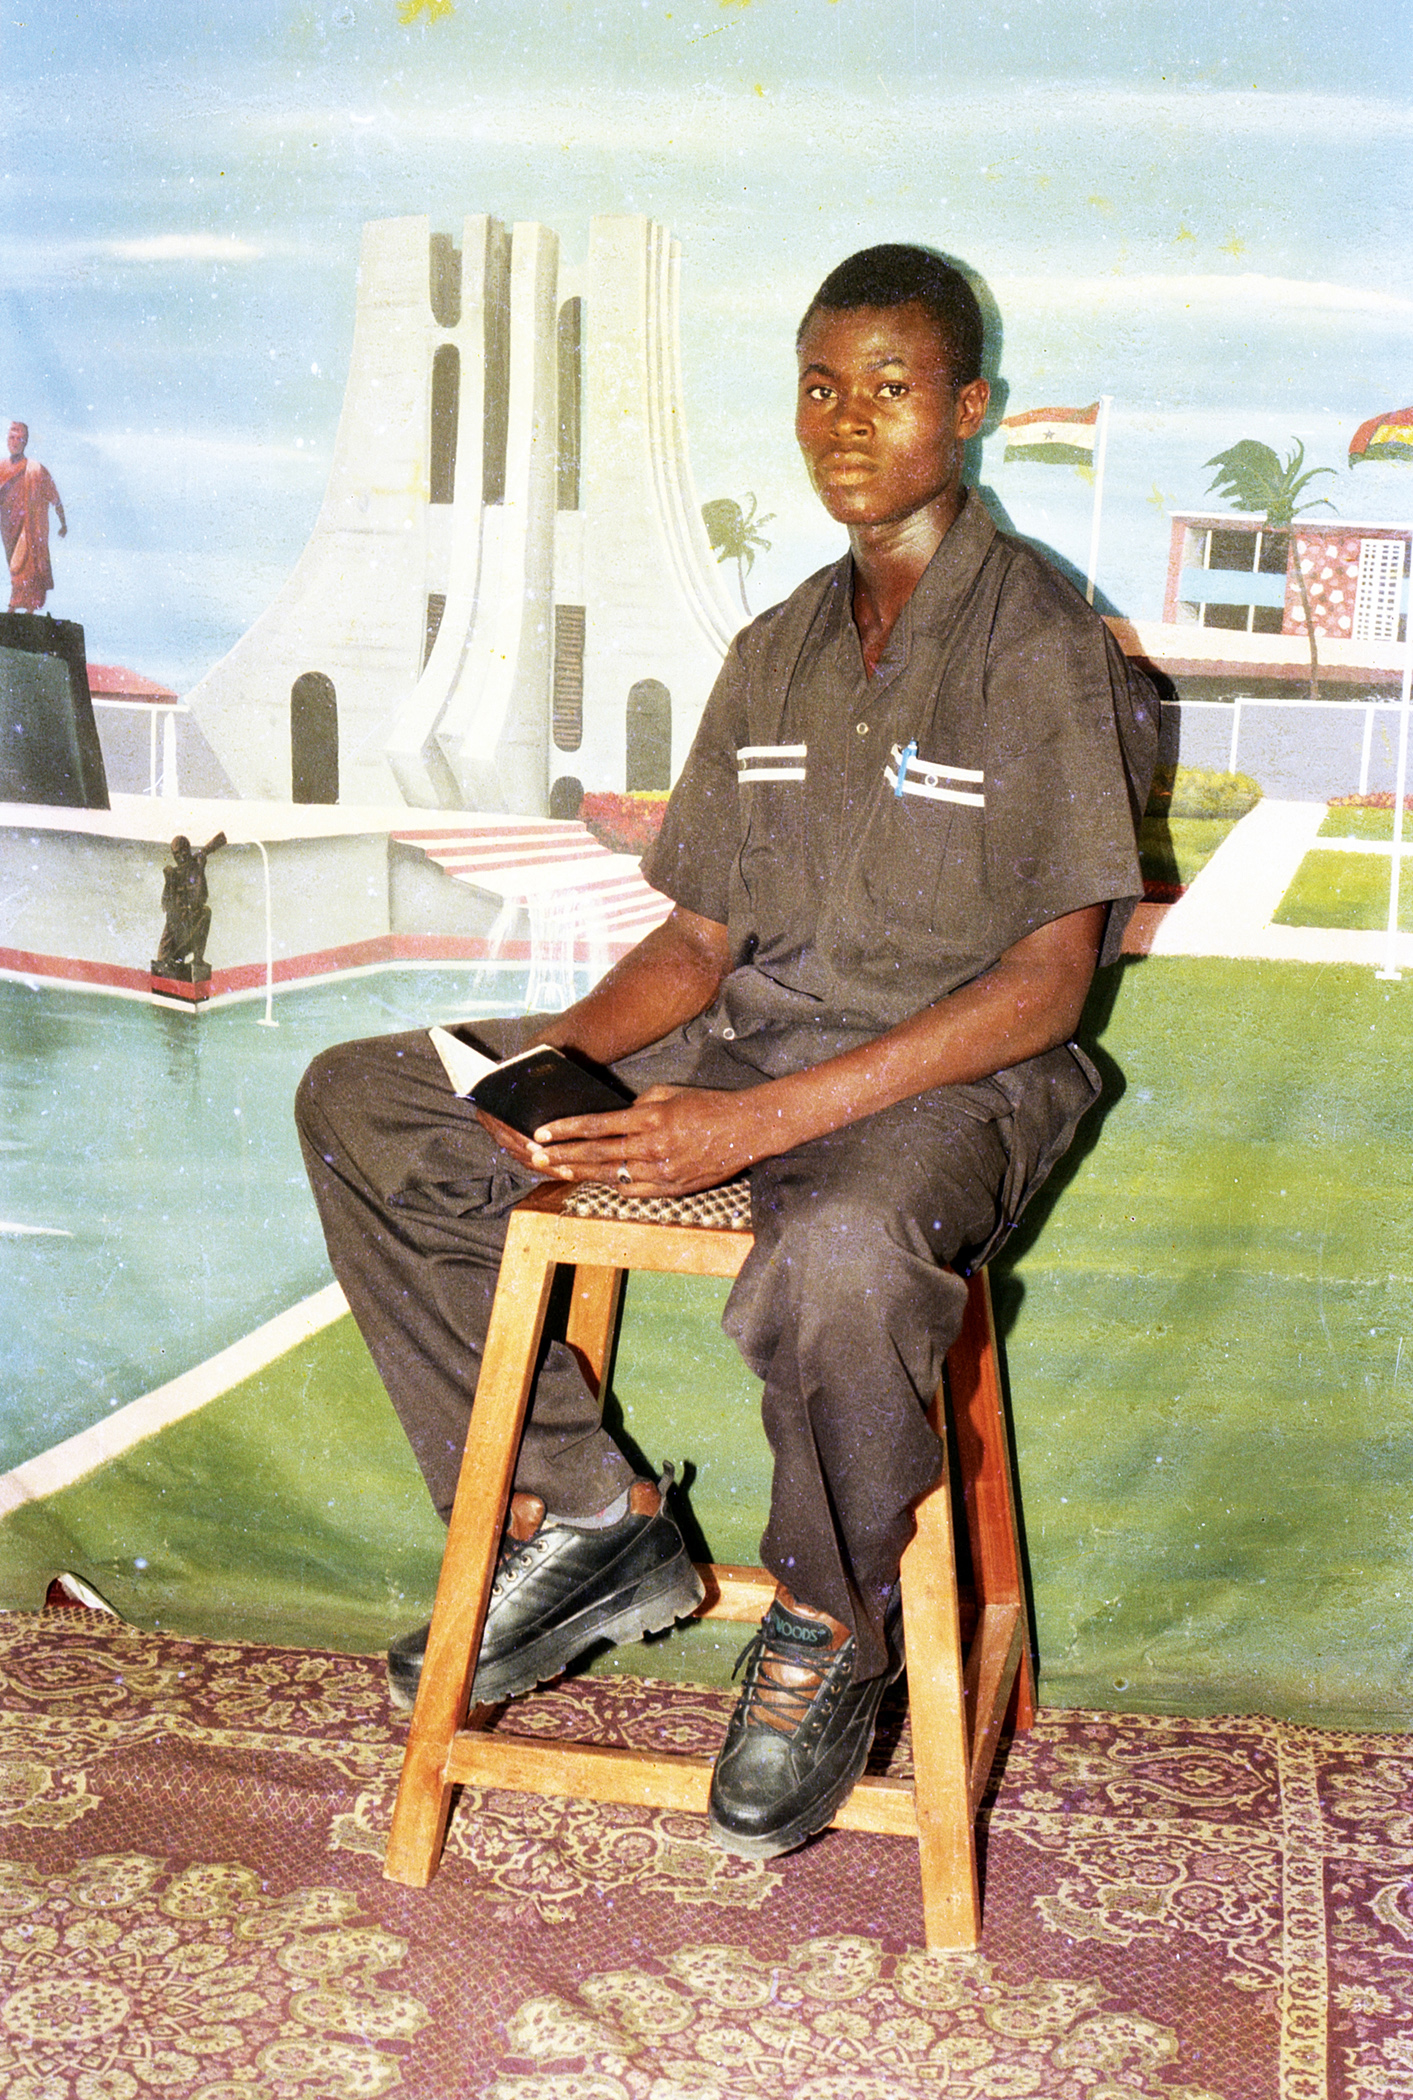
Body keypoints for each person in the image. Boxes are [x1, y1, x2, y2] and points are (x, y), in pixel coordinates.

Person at [297, 244, 1159, 1861]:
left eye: (890, 389)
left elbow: (1048, 986)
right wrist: (533, 1070)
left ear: (966, 411)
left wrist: (746, 1129)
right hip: (742, 1035)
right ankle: (585, 1517)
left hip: (945, 1080)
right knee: (369, 1099)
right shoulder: (773, 642)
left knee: (837, 1256)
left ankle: (827, 1622)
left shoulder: (1035, 642)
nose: (845, 423)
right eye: (818, 385)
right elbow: (694, 946)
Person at [0, 423, 66, 612]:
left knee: (23, 565)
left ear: (25, 442)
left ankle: (20, 606)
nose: (14, 442)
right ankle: (20, 607)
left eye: (18, 439)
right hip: (8, 527)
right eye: (11, 438)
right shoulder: (1, 467)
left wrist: (63, 524)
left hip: (30, 527)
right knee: (15, 563)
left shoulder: (35, 470)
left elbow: (55, 498)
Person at [155, 833, 227, 972]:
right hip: (173, 939)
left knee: (205, 912)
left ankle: (197, 959)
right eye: (176, 853)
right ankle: (174, 960)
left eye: (183, 851)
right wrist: (169, 883)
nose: (180, 856)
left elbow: (199, 900)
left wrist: (200, 870)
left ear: (188, 850)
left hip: (186, 930)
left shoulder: (193, 869)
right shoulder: (174, 874)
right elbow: (169, 908)